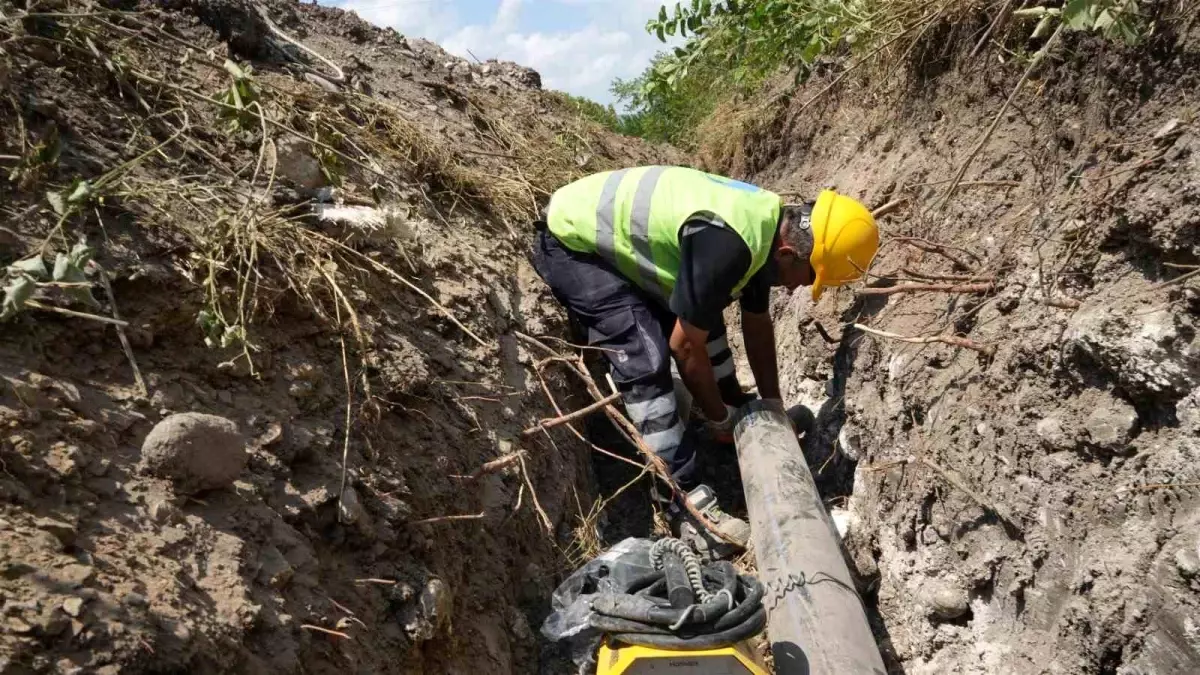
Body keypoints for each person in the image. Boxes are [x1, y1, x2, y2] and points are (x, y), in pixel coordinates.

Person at [530, 166, 879, 551]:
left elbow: (757, 322)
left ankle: (733, 404)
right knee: (646, 356)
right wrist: (717, 421)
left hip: (615, 232)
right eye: (807, 276)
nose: (800, 287)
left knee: (705, 318)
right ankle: (684, 502)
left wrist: (771, 404)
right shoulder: (731, 244)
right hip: (574, 244)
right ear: (788, 253)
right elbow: (684, 347)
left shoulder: (768, 226)